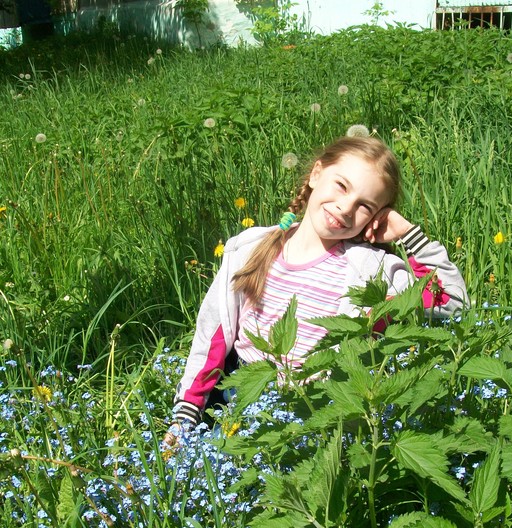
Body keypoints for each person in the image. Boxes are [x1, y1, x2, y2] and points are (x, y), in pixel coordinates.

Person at [166, 135, 468, 439]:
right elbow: (213, 338)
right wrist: (185, 416)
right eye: (342, 186)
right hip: (241, 401)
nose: (345, 208)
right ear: (316, 174)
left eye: (365, 206)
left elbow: (451, 300)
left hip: (319, 413)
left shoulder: (369, 269)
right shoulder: (250, 249)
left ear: (377, 216)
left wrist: (407, 233)